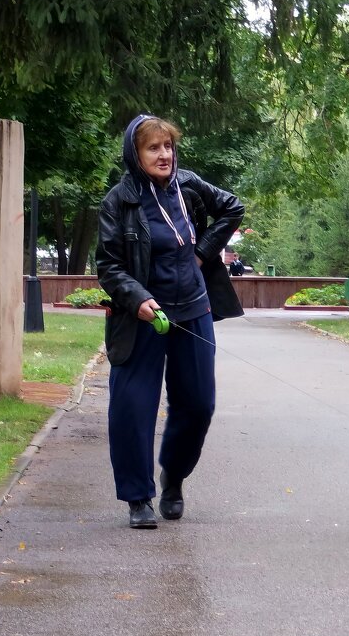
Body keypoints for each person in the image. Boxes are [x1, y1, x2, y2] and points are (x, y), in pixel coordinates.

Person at [96, 114, 245, 529]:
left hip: (193, 307)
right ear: (135, 154)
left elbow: (232, 207)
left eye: (168, 147)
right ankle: (137, 497)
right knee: (132, 406)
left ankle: (173, 476)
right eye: (153, 148)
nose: (164, 155)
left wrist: (202, 252)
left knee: (198, 404)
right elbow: (108, 266)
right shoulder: (118, 201)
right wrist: (139, 299)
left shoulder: (189, 185)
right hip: (143, 316)